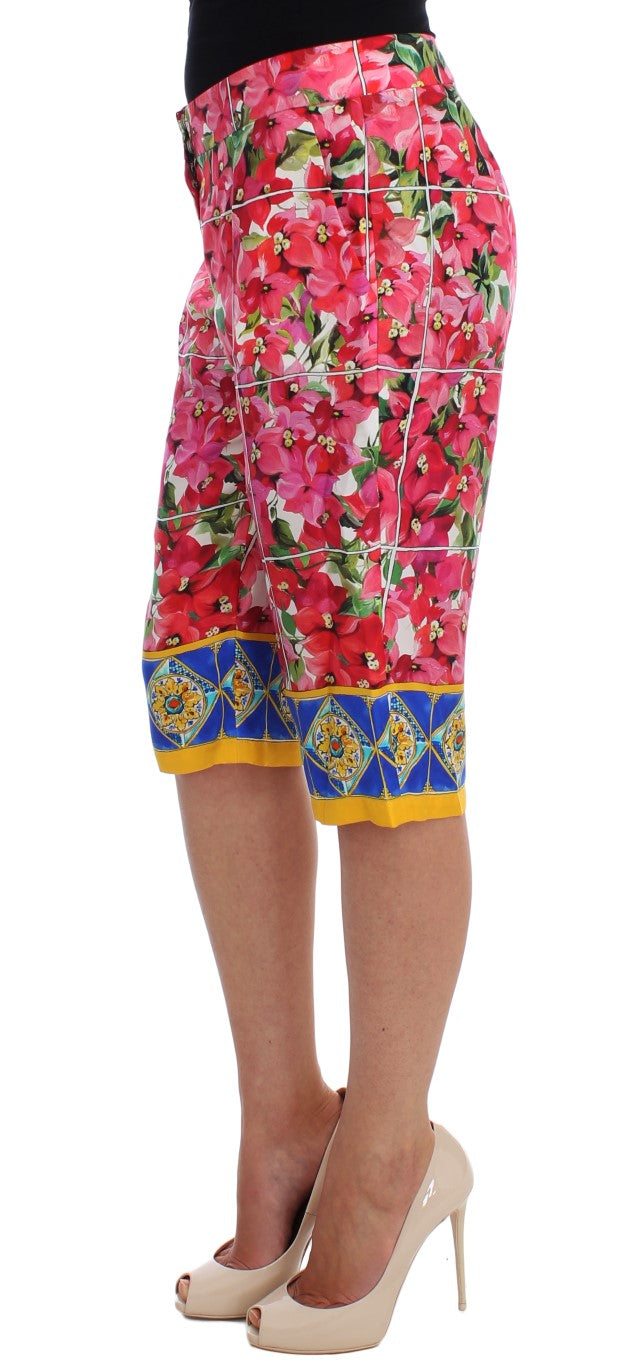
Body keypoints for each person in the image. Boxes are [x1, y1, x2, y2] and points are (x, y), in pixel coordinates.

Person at [140, 2, 517, 1351]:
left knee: (374, 691)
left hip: (365, 176)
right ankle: (287, 1123)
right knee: (211, 671)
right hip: (244, 193)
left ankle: (391, 1153)